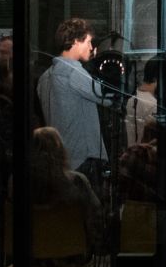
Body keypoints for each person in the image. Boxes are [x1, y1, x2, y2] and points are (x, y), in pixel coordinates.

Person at [29, 125, 103, 267]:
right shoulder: (77, 182)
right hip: (70, 255)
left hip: (31, 257)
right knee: (69, 255)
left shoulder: (16, 183)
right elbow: (95, 215)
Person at [35, 18, 121, 180]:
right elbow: (107, 97)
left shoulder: (45, 77)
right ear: (75, 41)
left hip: (61, 156)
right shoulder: (74, 72)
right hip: (82, 157)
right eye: (88, 41)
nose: (91, 47)